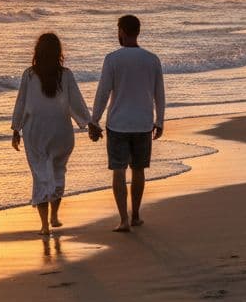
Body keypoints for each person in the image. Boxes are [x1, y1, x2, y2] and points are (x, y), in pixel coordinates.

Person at [11, 33, 94, 237]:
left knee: (40, 174)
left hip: (35, 131)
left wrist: (15, 129)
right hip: (61, 131)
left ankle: (44, 226)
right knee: (58, 171)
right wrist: (88, 123)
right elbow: (76, 102)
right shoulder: (65, 74)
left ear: (37, 52)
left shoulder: (29, 75)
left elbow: (21, 103)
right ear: (58, 52)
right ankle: (54, 216)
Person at [89, 14, 166, 232]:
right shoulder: (152, 59)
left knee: (119, 171)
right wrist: (159, 120)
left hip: (118, 124)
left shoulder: (112, 59)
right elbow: (159, 94)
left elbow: (103, 92)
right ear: (138, 31)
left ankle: (123, 220)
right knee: (139, 170)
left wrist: (94, 120)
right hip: (143, 123)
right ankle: (136, 215)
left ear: (122, 31)